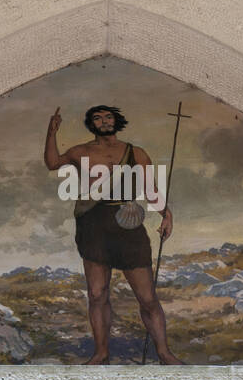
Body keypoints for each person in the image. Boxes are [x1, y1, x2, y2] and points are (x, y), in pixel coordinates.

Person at [43, 105, 183, 364]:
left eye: (108, 117)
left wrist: (166, 214)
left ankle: (164, 352)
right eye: (97, 118)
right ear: (91, 123)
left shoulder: (136, 153)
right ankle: (101, 353)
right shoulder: (81, 151)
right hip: (93, 224)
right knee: (97, 294)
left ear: (116, 120)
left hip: (128, 223)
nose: (104, 121)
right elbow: (53, 163)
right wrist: (51, 132)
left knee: (148, 297)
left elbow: (149, 189)